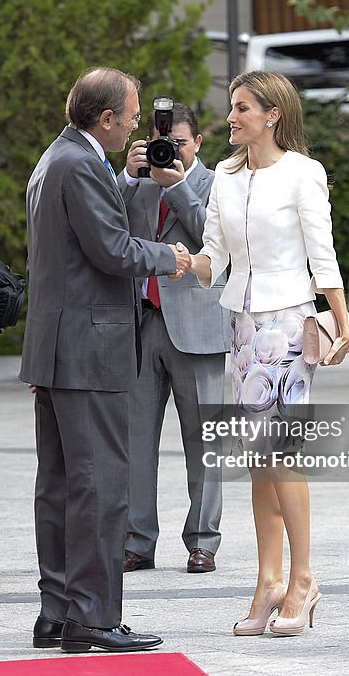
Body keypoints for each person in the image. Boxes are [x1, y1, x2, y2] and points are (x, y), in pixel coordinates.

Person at [20, 66, 190, 653]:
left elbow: (83, 236)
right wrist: (173, 257)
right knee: (100, 485)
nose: (139, 124)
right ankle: (93, 616)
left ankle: (59, 609)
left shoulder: (58, 158)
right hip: (89, 348)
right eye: (133, 114)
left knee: (63, 485)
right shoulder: (78, 162)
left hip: (59, 346)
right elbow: (112, 249)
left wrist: (130, 180)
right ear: (106, 117)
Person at [186, 70, 349, 636]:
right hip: (242, 326)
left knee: (282, 453)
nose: (230, 117)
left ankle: (303, 580)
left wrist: (343, 320)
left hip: (288, 325)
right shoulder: (225, 178)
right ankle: (268, 580)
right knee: (260, 459)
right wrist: (177, 259)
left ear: (272, 114)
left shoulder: (304, 174)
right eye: (231, 107)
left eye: (241, 108)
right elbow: (213, 258)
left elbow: (323, 254)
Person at [119, 103, 229, 574]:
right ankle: (137, 541)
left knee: (204, 441)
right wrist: (125, 175)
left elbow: (217, 242)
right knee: (135, 441)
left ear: (198, 143)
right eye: (164, 142)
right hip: (142, 325)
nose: (170, 151)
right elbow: (109, 225)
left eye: (180, 143)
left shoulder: (216, 183)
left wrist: (179, 187)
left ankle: (203, 540)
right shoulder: (139, 182)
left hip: (198, 327)